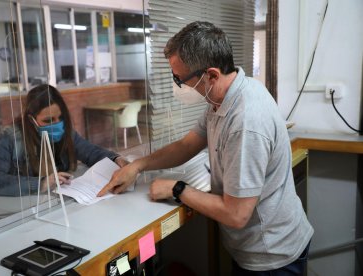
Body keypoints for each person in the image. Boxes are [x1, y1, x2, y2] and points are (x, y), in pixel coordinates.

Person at [98, 21, 313, 275]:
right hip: (253, 248)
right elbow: (187, 145)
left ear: (210, 75)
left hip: (272, 256)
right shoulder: (222, 98)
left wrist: (177, 188)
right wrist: (138, 165)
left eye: (180, 79)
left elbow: (236, 214)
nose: (178, 86)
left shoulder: (246, 120)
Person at [0, 84, 127, 196]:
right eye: (48, 120)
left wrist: (116, 159)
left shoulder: (65, 131)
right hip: (23, 207)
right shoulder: (10, 138)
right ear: (31, 120)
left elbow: (90, 152)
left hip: (57, 201)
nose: (56, 124)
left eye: (59, 118)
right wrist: (41, 184)